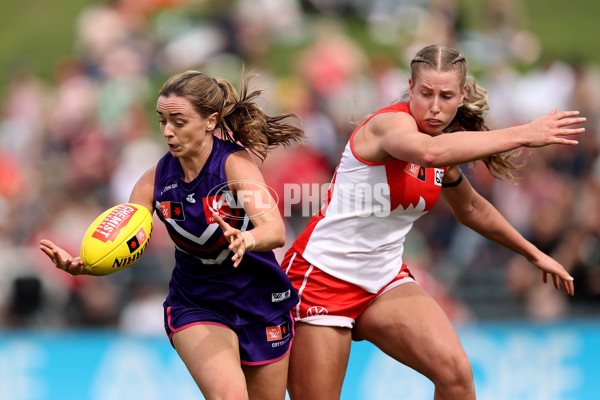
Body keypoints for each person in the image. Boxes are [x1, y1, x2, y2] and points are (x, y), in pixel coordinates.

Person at [281, 44, 585, 400]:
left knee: (456, 376)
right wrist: (523, 133)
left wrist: (533, 254)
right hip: (322, 278)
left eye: (446, 95)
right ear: (410, 88)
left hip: (383, 279)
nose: (435, 106)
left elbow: (471, 208)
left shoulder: (444, 150)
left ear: (461, 97)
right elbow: (429, 153)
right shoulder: (391, 125)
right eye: (425, 93)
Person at [40, 70, 305, 400]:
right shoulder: (153, 181)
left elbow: (275, 230)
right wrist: (91, 264)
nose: (167, 131)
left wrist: (246, 239)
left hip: (260, 301)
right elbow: (128, 241)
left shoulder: (235, 166)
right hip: (197, 303)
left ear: (210, 121)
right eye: (162, 120)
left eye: (178, 121)